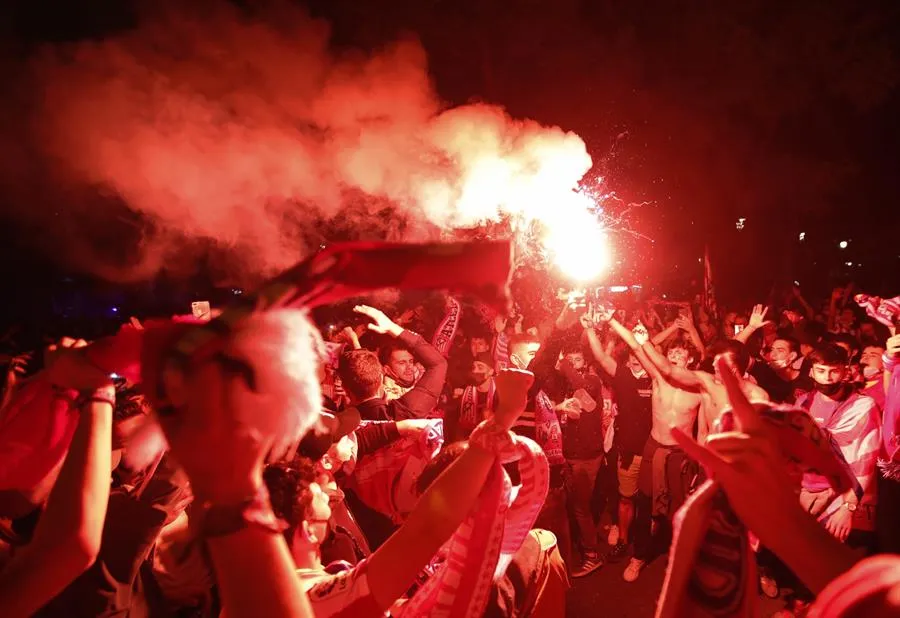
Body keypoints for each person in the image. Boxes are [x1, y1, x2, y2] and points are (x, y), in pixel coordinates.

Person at [260, 369, 541, 617]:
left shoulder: (256, 596)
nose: (327, 491)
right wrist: (502, 420)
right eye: (319, 497)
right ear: (307, 531)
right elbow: (426, 530)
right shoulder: (317, 601)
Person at [594, 309, 702, 581]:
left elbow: (705, 426)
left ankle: (681, 558)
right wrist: (612, 320)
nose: (674, 356)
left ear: (690, 359)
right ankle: (639, 557)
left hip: (681, 454)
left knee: (681, 511)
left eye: (680, 353)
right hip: (654, 448)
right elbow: (635, 345)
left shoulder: (700, 386)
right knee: (643, 505)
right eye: (672, 353)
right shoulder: (658, 377)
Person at [582, 313, 653, 569]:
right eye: (631, 353)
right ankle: (624, 540)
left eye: (639, 351)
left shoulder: (658, 376)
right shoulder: (622, 375)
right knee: (625, 498)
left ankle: (645, 547)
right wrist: (590, 328)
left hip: (654, 452)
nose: (635, 358)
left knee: (650, 503)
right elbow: (601, 358)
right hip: (629, 449)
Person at [796, 343, 881, 545]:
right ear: (811, 372)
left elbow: (864, 462)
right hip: (807, 495)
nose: (827, 378)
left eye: (834, 371)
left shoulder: (862, 406)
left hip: (845, 499)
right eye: (821, 371)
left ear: (845, 371)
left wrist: (848, 508)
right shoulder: (803, 403)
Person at [337, 305, 447, 422]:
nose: (409, 367)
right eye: (401, 363)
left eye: (410, 361)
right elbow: (437, 364)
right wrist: (391, 327)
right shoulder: (397, 409)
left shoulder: (340, 426)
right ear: (384, 371)